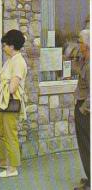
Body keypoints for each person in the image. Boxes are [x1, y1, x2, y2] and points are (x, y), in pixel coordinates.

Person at [0, 29, 27, 178]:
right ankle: (4, 161)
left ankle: (12, 167)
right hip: (4, 102)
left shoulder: (18, 62)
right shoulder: (10, 61)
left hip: (11, 103)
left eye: (5, 45)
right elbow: (3, 83)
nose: (4, 48)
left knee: (10, 134)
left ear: (12, 46)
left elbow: (12, 87)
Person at [73, 29, 90, 190]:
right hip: (82, 105)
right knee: (85, 144)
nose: (78, 44)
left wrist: (84, 109)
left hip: (85, 108)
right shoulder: (84, 60)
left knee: (86, 144)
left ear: (86, 44)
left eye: (79, 41)